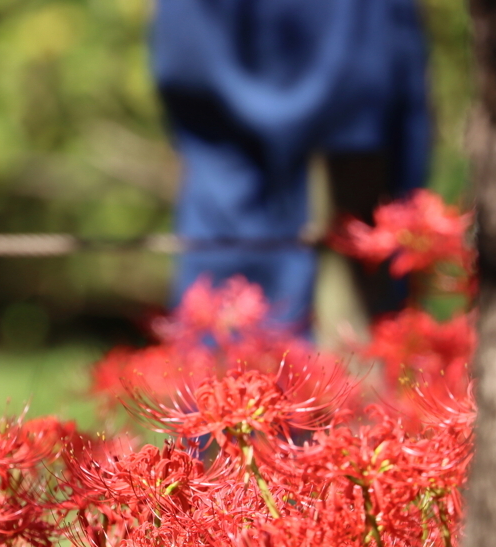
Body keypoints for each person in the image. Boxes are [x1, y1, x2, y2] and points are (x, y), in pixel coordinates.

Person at [151, 0, 431, 336]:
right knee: (231, 342)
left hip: (355, 162)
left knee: (368, 341)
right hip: (246, 181)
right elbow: (188, 60)